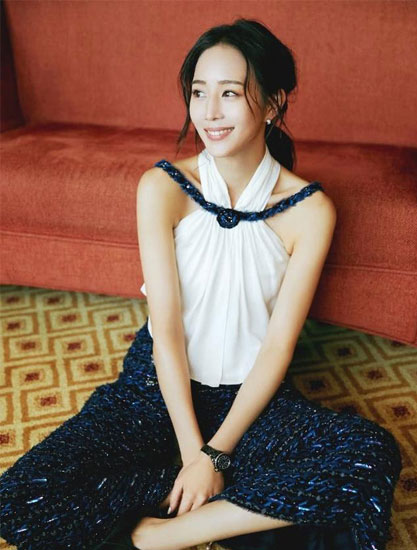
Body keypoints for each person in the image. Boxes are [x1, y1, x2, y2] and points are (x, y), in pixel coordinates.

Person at [0, 17, 402, 550]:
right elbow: (166, 331)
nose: (209, 112)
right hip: (154, 388)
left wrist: (218, 454)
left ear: (274, 103)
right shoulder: (162, 187)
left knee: (371, 453)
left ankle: (159, 535)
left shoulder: (310, 210)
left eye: (229, 93)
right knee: (19, 498)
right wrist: (195, 455)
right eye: (198, 92)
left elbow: (277, 348)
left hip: (251, 401)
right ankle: (212, 500)